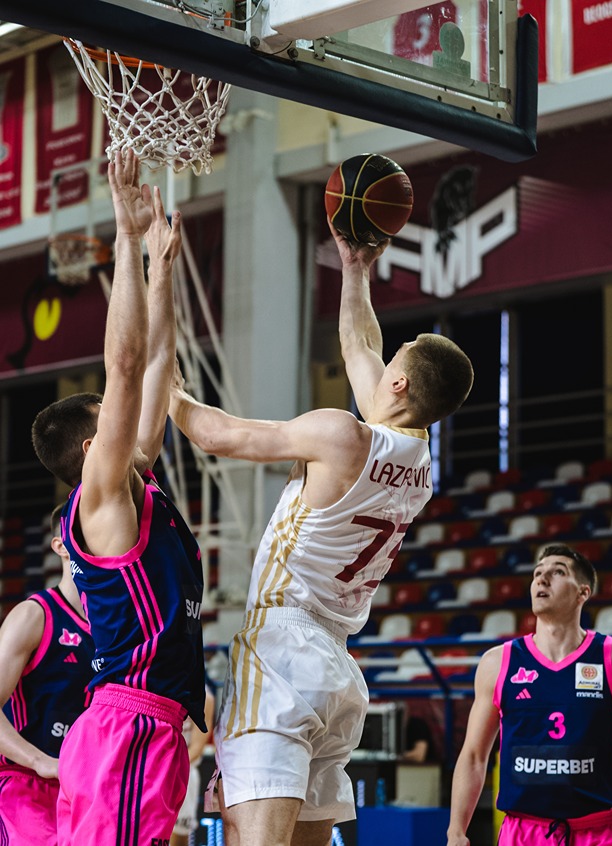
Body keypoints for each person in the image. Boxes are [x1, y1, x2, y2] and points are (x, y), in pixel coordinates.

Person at [168, 219, 474, 846]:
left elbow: (215, 435)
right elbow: (360, 347)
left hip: (281, 645)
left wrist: (163, 387)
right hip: (336, 667)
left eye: (394, 361)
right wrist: (355, 269)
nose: (381, 363)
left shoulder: (342, 435)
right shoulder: (417, 462)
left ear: (399, 382)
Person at [31, 150, 206, 845]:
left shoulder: (138, 482)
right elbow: (127, 364)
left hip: (148, 726)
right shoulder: (102, 497)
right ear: (89, 448)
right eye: (108, 417)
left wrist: (162, 269)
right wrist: (125, 238)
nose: (123, 417)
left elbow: (158, 363)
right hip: (125, 726)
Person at [446, 543, 612, 846]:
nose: (542, 578)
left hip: (600, 832)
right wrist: (456, 831)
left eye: (558, 572)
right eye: (538, 573)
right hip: (524, 833)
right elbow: (473, 755)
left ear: (583, 593)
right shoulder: (498, 662)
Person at [0, 503, 94, 845]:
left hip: (82, 789)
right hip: (24, 784)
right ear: (61, 546)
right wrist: (40, 761)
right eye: (89, 531)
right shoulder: (33, 615)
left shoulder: (114, 629)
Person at [171, 685, 216, 846]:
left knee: (179, 839)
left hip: (183, 773)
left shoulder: (206, 697)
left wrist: (168, 769)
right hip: (154, 772)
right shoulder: (159, 684)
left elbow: (197, 747)